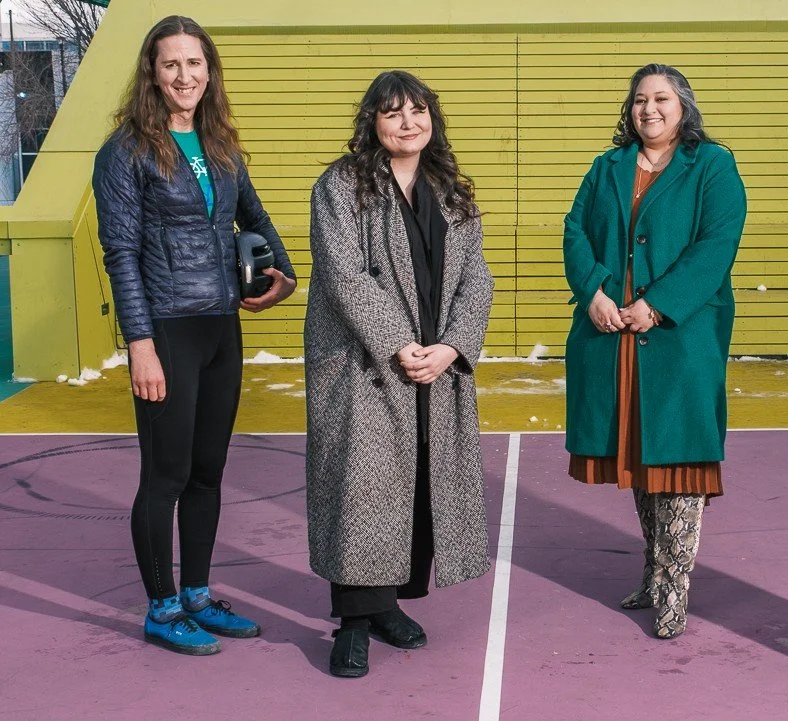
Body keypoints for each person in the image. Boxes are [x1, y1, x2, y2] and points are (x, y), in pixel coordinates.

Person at [93, 15, 296, 655]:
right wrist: (141, 345)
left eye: (196, 63)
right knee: (167, 475)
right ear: (152, 74)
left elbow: (255, 217)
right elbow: (121, 254)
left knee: (209, 472)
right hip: (168, 330)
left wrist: (284, 273)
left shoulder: (221, 147)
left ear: (210, 72)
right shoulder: (123, 152)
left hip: (220, 329)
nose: (186, 75)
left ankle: (199, 596)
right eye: (172, 64)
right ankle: (161, 606)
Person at [305, 70, 494, 679]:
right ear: (373, 122)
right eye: (393, 113)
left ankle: (388, 607)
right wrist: (401, 345)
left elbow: (476, 280)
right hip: (366, 367)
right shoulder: (341, 186)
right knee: (364, 489)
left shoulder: (454, 192)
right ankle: (354, 623)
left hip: (436, 366)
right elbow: (344, 276)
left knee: (418, 481)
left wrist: (453, 347)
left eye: (418, 110)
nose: (408, 122)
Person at [562, 64, 747, 640]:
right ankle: (653, 570)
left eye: (662, 98)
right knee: (639, 455)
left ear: (683, 106)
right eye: (640, 99)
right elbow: (574, 230)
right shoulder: (606, 167)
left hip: (678, 337)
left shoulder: (713, 166)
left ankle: (675, 587)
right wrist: (592, 290)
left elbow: (717, 244)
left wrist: (659, 303)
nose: (649, 109)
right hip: (613, 335)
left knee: (679, 461)